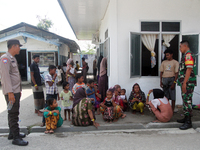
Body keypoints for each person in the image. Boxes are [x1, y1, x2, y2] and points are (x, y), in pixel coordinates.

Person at [0, 39, 28, 146]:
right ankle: (16, 138)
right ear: (13, 46)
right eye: (18, 46)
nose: (19, 48)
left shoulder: (12, 58)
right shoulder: (5, 59)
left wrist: (18, 90)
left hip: (15, 90)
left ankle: (12, 133)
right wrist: (10, 92)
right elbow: (5, 77)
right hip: (11, 92)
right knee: (13, 114)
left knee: (12, 112)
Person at [177, 40, 197, 130]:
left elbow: (189, 70)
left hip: (188, 83)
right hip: (185, 82)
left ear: (185, 46)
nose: (180, 49)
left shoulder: (188, 55)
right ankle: (186, 118)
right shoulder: (185, 55)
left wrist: (184, 83)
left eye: (180, 47)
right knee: (185, 100)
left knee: (187, 101)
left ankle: (188, 122)